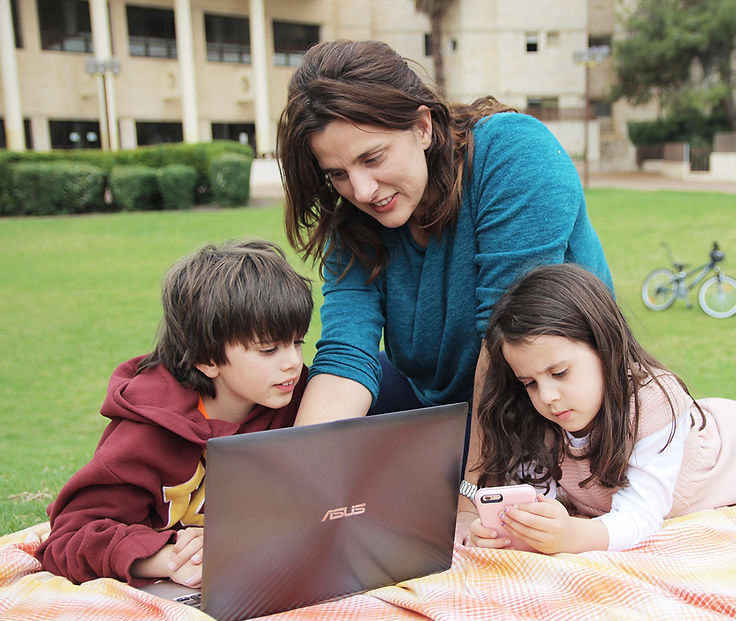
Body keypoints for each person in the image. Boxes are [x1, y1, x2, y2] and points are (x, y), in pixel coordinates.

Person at [276, 39, 612, 433]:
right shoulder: (354, 214)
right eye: (338, 173)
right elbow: (347, 353)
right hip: (436, 398)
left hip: (541, 401)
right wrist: (305, 459)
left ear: (422, 127)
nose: (362, 191)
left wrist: (473, 473)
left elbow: (504, 343)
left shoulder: (513, 154)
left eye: (373, 158)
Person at [460, 264, 736, 554]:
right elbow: (540, 496)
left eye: (559, 372)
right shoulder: (543, 415)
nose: (548, 396)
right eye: (530, 383)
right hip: (691, 436)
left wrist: (573, 536)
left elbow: (640, 516)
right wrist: (510, 529)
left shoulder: (652, 403)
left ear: (604, 346)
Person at [35, 240, 313, 587]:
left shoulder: (302, 402)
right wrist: (168, 560)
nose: (293, 362)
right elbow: (67, 540)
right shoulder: (145, 434)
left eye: (297, 342)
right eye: (269, 349)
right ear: (206, 358)